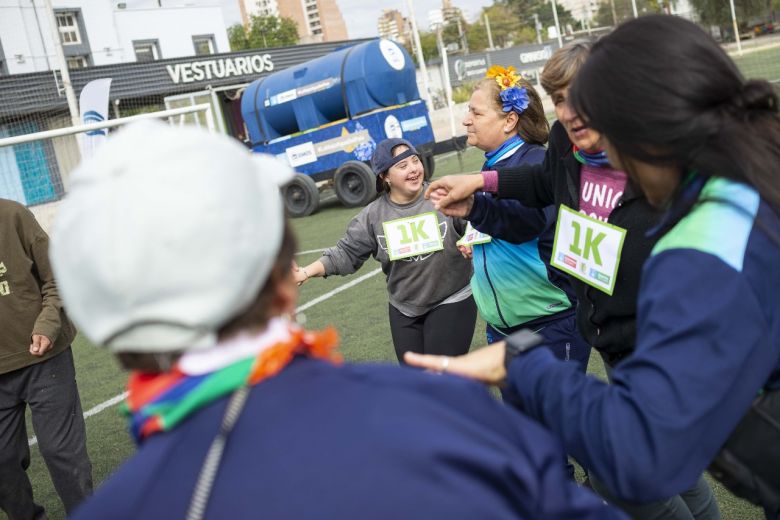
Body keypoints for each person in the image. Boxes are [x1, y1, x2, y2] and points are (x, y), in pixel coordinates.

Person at [50, 121, 625, 520]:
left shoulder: (119, 508)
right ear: (283, 272)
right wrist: (533, 374)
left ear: (109, 337)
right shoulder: (443, 413)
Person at [407, 14, 780, 519]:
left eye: (597, 112)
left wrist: (521, 365)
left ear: (642, 117)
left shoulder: (698, 245)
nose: (582, 129)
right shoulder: (745, 182)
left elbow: (636, 450)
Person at [294, 138, 476, 362]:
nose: (413, 169)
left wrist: (470, 239)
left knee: (440, 377)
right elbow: (346, 253)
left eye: (415, 161)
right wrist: (305, 272)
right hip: (404, 308)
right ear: (385, 176)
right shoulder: (372, 216)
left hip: (451, 298)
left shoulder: (443, 195)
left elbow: (476, 223)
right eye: (402, 166)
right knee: (413, 383)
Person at [460, 66, 590, 371]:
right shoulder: (490, 165)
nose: (466, 119)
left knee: (557, 418)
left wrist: (472, 209)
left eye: (476, 113)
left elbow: (525, 222)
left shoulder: (535, 162)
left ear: (509, 120)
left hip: (549, 326)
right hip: (504, 329)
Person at [0, 199, 93, 518]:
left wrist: (47, 324)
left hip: (45, 360)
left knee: (63, 455)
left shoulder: (12, 216)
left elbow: (57, 279)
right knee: (2, 462)